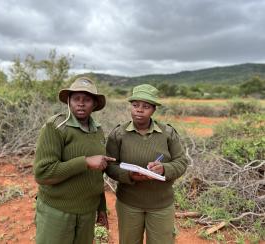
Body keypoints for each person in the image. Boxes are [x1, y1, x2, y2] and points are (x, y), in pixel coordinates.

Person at [33, 77, 115, 244]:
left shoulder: (97, 130)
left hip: (87, 212)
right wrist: (84, 162)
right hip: (57, 212)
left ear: (95, 104)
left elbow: (97, 175)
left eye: (87, 99)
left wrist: (100, 207)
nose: (81, 103)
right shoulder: (56, 127)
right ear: (69, 101)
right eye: (76, 98)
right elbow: (43, 174)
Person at [105, 84, 188, 244]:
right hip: (128, 204)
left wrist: (164, 168)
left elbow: (181, 162)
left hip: (161, 205)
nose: (139, 110)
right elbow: (110, 166)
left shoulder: (167, 133)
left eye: (146, 106)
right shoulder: (118, 134)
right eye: (135, 105)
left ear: (154, 110)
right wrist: (129, 175)